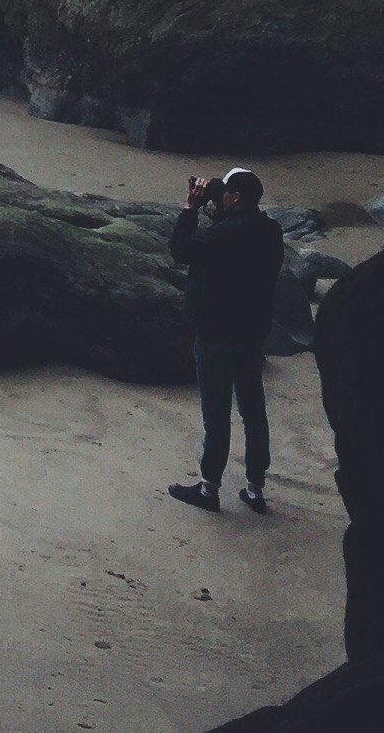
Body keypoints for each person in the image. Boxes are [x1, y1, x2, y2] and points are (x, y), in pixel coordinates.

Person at [166, 166, 284, 514]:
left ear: (233, 197)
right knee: (253, 413)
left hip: (215, 333)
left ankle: (209, 489)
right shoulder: (271, 231)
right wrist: (217, 205)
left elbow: (180, 249)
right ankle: (255, 488)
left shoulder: (221, 234)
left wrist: (191, 208)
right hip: (251, 335)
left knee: (216, 415)